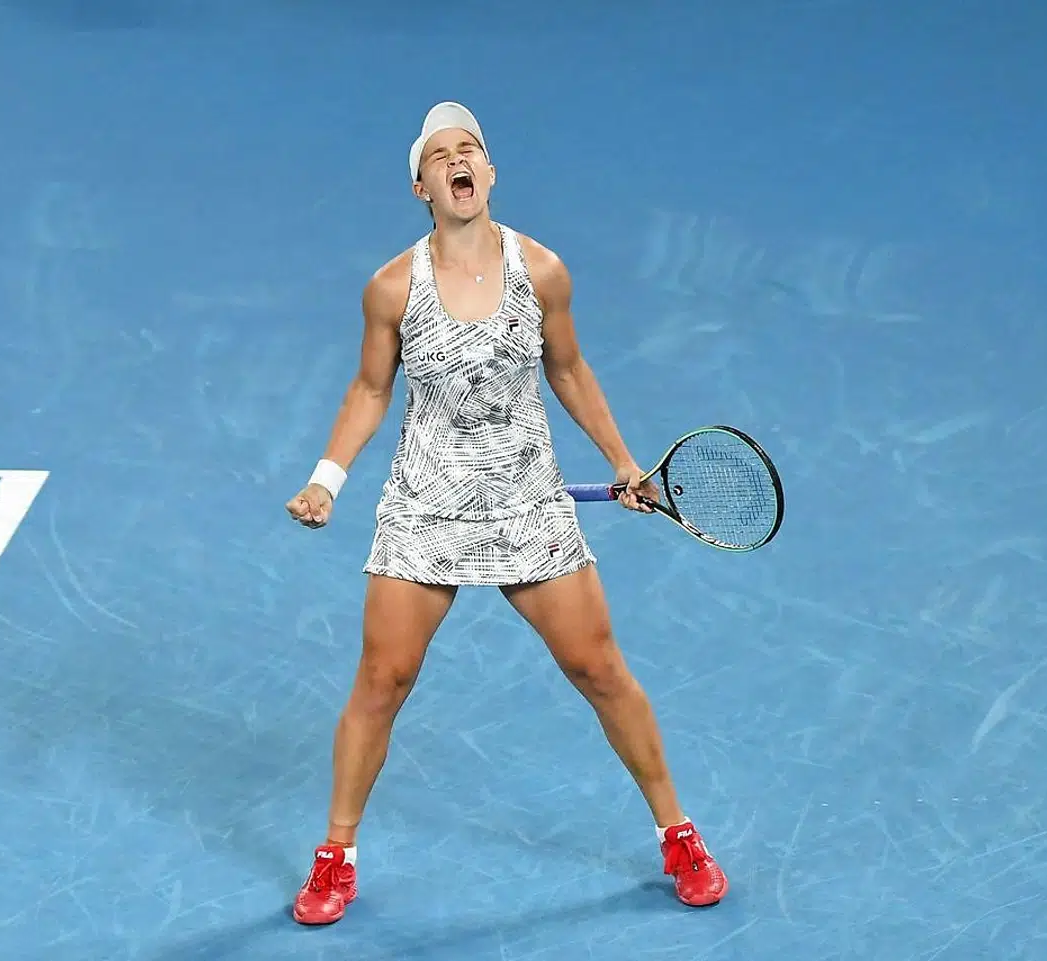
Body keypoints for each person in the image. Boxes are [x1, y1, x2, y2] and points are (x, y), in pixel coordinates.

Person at [283, 101, 728, 925]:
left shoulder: (543, 271)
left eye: (472, 150)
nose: (460, 162)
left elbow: (569, 369)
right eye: (442, 155)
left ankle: (680, 832)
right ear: (421, 185)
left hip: (529, 502)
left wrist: (625, 462)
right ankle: (335, 856)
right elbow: (372, 388)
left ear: (488, 173)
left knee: (600, 670)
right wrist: (327, 479)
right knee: (381, 681)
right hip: (427, 506)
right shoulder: (391, 288)